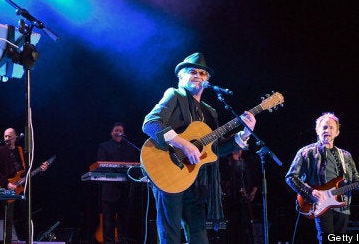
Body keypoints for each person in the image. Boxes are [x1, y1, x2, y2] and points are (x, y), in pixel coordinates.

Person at [141, 52, 257, 244]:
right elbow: (151, 123)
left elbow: (216, 149)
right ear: (181, 76)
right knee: (170, 235)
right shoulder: (175, 95)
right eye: (193, 72)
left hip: (196, 180)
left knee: (199, 236)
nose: (198, 76)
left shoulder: (210, 111)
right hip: (169, 171)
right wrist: (184, 144)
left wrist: (245, 133)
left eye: (202, 74)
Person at [285, 112, 359, 243]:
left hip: (343, 207)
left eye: (332, 128)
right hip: (320, 204)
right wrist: (310, 191)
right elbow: (291, 177)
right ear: (317, 130)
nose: (328, 130)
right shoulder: (306, 152)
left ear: (337, 132)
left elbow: (355, 181)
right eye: (324, 127)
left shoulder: (346, 155)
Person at [0, 127, 49, 242]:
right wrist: (7, 184)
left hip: (22, 187)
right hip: (8, 188)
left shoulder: (21, 150)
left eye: (9, 136)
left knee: (27, 217)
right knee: (8, 220)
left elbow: (27, 170)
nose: (7, 139)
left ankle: (28, 240)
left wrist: (41, 169)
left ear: (15, 137)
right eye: (5, 136)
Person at [96, 122, 140, 243]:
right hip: (109, 191)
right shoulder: (104, 146)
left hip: (125, 191)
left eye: (120, 130)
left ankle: (122, 240)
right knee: (108, 222)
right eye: (116, 130)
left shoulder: (130, 147)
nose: (118, 132)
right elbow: (102, 165)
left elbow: (135, 166)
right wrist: (119, 168)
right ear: (111, 133)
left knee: (123, 222)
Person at [220, 149, 259, 244]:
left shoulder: (246, 162)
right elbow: (224, 180)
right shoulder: (225, 162)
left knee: (245, 229)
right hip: (230, 202)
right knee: (232, 229)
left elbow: (254, 178)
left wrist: (253, 191)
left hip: (244, 203)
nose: (239, 151)